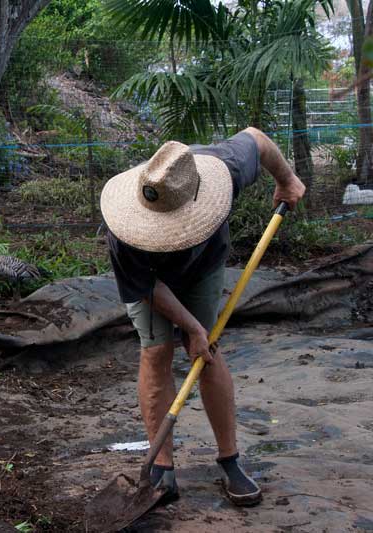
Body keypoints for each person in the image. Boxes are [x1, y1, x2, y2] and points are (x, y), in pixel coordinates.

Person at [100, 128, 305, 505]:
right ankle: (162, 468)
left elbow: (257, 138)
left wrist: (287, 179)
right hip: (152, 283)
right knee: (157, 351)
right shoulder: (123, 231)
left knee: (207, 351)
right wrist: (190, 327)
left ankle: (230, 460)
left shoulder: (223, 166)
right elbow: (146, 286)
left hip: (204, 267)